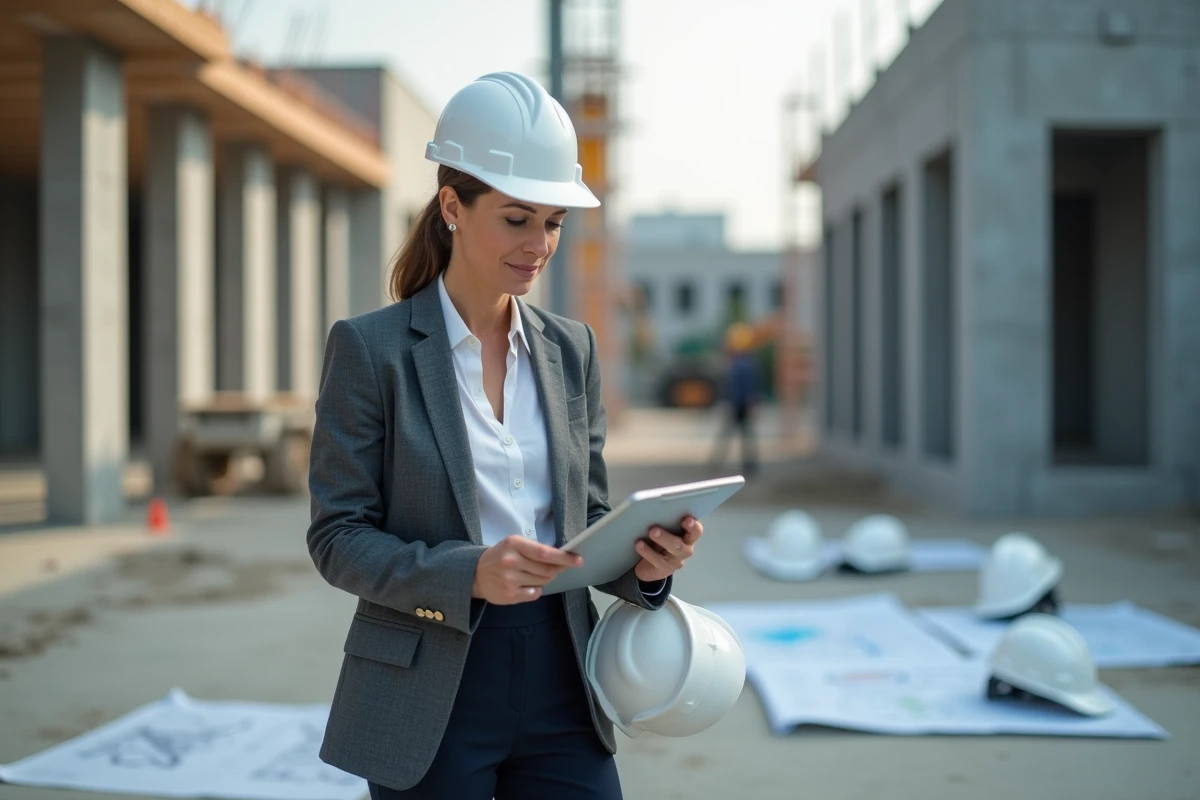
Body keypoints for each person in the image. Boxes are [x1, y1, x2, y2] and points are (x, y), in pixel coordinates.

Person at [306, 72, 703, 800]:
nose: (540, 244)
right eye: (517, 219)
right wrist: (470, 574)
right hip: (430, 683)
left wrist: (647, 566)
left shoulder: (571, 349)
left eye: (552, 222)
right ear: (452, 206)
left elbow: (587, 528)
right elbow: (337, 538)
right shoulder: (373, 351)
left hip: (562, 676)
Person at [710, 322, 760, 476]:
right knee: (744, 436)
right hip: (741, 405)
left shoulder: (740, 365)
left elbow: (742, 388)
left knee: (733, 435)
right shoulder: (746, 363)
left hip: (739, 406)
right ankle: (749, 465)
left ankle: (720, 463)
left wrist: (732, 403)